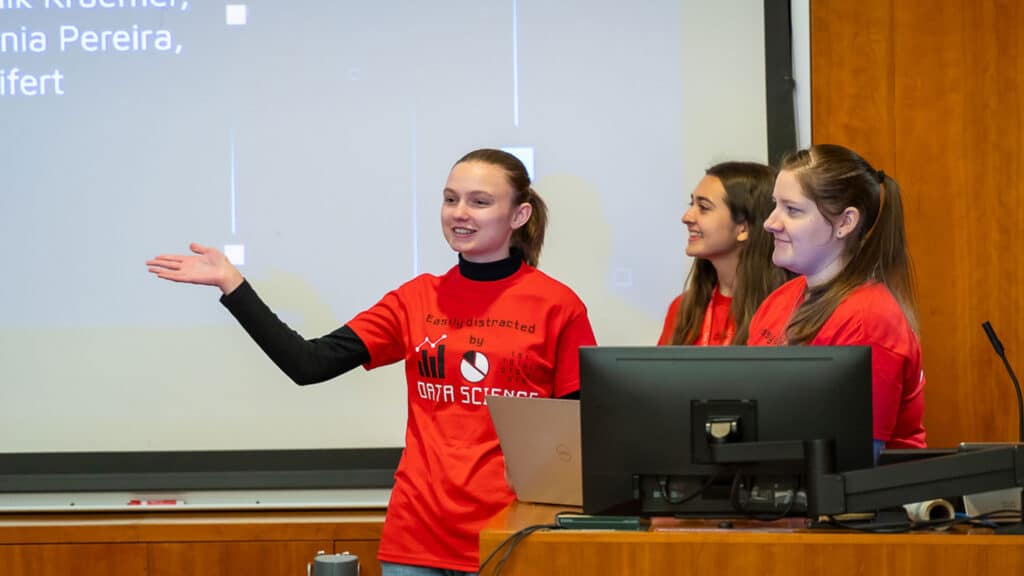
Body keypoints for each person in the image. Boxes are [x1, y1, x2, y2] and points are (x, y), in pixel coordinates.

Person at [146, 148, 597, 575]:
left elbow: (579, 437)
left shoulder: (557, 306)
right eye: (450, 199)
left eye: (479, 202)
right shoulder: (416, 298)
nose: (460, 212)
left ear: (519, 215)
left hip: (511, 537)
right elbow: (309, 364)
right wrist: (233, 285)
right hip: (417, 539)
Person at [747, 144, 926, 451]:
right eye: (774, 205)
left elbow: (856, 458)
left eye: (792, 210)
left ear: (846, 222)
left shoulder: (870, 319)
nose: (770, 222)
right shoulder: (779, 300)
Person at [658, 161, 789, 346]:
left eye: (703, 207)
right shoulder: (683, 309)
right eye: (691, 204)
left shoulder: (787, 310)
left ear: (743, 228)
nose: (686, 217)